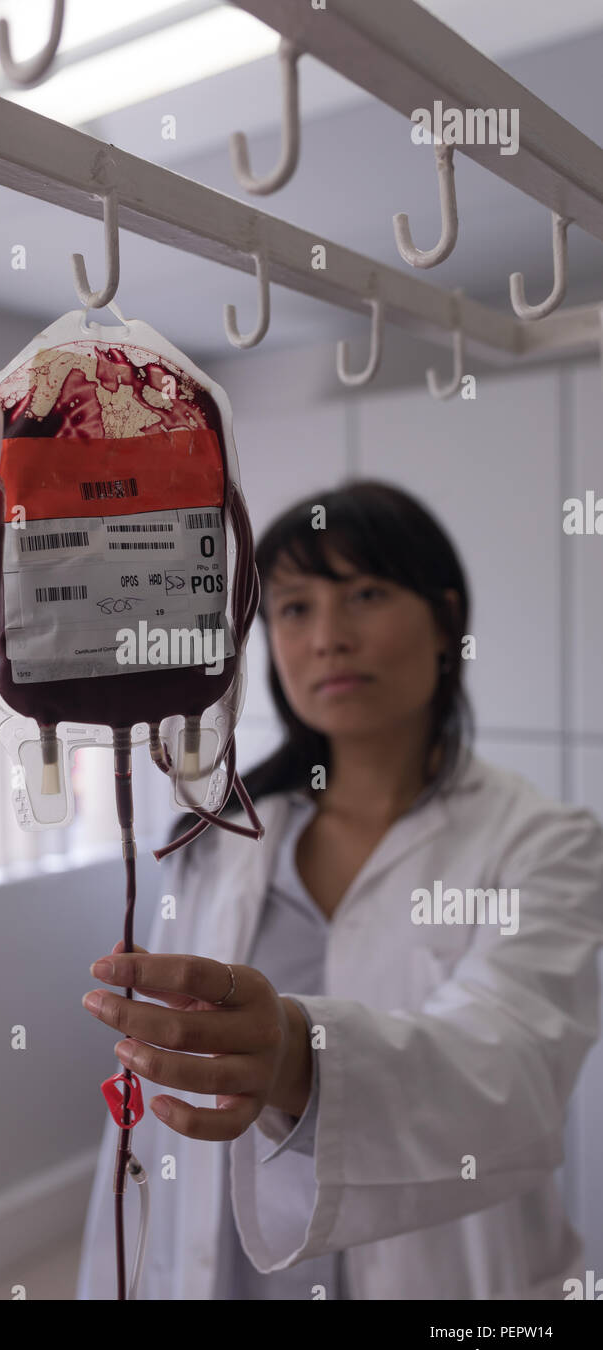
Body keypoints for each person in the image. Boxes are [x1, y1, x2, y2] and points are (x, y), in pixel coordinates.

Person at [76, 478, 603, 1300]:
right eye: (293, 608)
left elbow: (515, 1068)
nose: (328, 637)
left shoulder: (543, 845)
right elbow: (149, 1120)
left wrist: (300, 1058)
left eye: (366, 594)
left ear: (445, 621)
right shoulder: (215, 838)